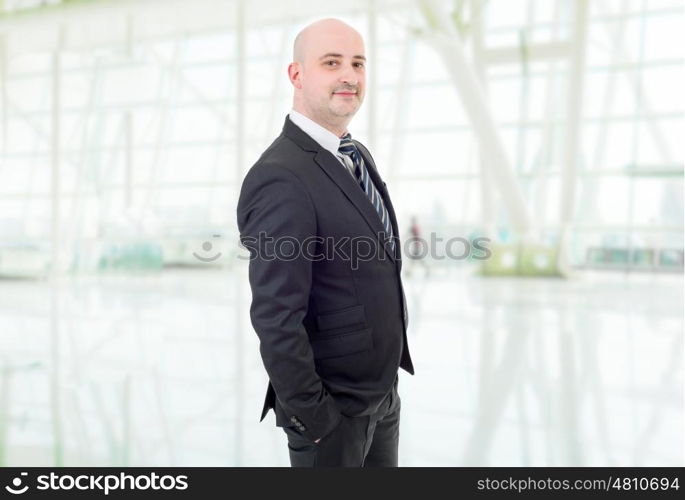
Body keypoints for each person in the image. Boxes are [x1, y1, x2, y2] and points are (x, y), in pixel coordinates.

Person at [237, 18, 414, 467]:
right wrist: (315, 418)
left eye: (358, 63)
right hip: (332, 418)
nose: (350, 76)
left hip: (380, 398)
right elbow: (276, 315)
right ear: (297, 75)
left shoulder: (354, 155)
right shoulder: (281, 175)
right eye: (331, 63)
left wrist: (386, 390)